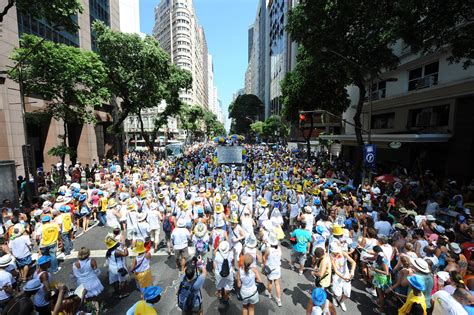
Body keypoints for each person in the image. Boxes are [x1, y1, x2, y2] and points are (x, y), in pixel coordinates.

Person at [72, 247, 103, 312]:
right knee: (94, 298)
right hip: (92, 282)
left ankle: (90, 310)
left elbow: (75, 275)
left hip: (81, 283)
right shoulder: (92, 261)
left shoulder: (74, 264)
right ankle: (97, 310)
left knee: (86, 298)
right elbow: (97, 271)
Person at [330, 242, 356, 312]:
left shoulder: (343, 252)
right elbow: (335, 270)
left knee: (347, 294)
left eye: (337, 251)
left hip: (346, 275)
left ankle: (341, 302)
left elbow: (353, 262)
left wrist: (352, 271)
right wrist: (343, 277)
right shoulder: (331, 256)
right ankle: (334, 297)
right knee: (337, 293)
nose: (337, 253)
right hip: (337, 276)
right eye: (335, 252)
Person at [105, 234, 129, 299]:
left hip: (112, 268)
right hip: (119, 267)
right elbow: (126, 254)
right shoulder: (117, 252)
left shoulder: (108, 252)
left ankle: (117, 292)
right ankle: (122, 293)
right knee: (122, 280)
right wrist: (125, 247)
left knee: (114, 281)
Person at [262, 232, 282, 307]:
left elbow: (264, 258)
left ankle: (269, 294)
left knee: (270, 282)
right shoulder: (279, 248)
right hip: (277, 268)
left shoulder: (268, 249)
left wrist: (264, 265)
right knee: (277, 284)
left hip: (270, 269)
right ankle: (279, 300)